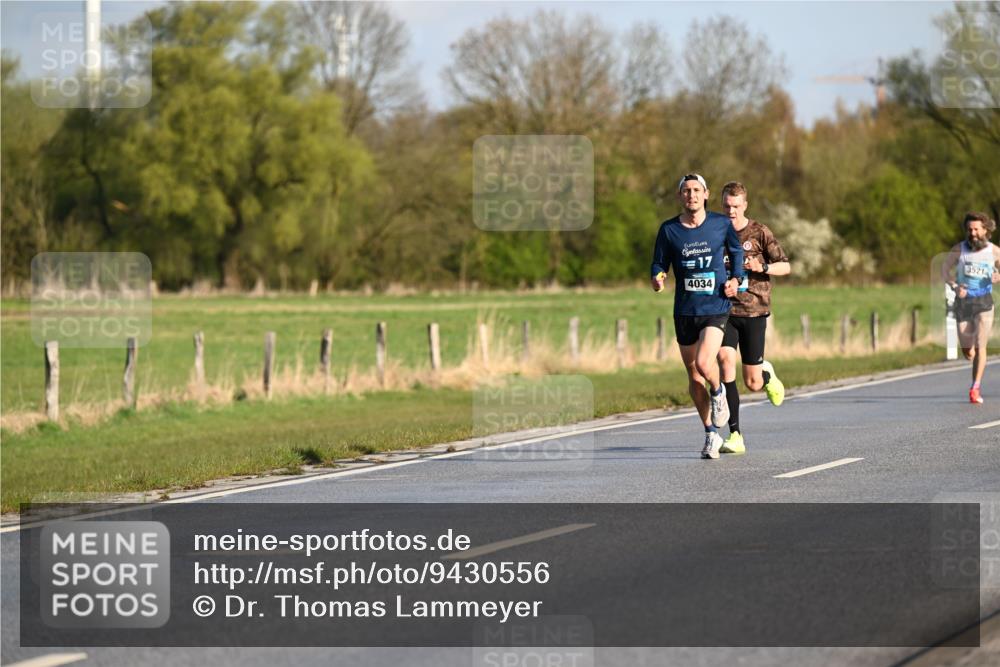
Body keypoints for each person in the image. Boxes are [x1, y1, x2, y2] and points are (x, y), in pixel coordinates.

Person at [651, 173, 745, 460]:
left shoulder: (720, 224)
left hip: (715, 306)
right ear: (681, 196)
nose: (691, 195)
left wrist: (736, 278)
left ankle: (718, 393)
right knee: (693, 375)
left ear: (705, 194)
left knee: (706, 364)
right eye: (686, 191)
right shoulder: (669, 230)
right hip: (685, 310)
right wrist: (657, 276)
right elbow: (658, 261)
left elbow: (737, 250)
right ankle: (710, 435)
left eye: (696, 190)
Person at [715, 182, 791, 454]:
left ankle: (766, 375)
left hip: (754, 311)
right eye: (726, 206)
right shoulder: (714, 231)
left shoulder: (759, 232)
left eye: (736, 206)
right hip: (724, 310)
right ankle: (735, 435)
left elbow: (786, 265)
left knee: (753, 382)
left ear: (745, 205)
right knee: (725, 362)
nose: (731, 211)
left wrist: (764, 266)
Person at [941, 211, 1000, 404]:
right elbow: (944, 269)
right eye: (969, 229)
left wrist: (998, 276)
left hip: (984, 301)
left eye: (976, 229)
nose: (972, 233)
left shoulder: (993, 251)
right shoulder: (959, 249)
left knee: (981, 345)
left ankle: (975, 387)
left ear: (985, 230)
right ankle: (971, 354)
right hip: (964, 302)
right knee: (968, 350)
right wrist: (954, 285)